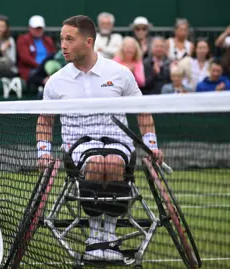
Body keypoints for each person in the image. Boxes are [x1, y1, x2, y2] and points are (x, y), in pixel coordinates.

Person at [36, 15, 164, 261]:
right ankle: (95, 235)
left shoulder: (120, 73)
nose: (63, 45)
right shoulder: (56, 81)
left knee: (113, 163)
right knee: (96, 163)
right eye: (61, 39)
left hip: (119, 145)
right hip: (79, 147)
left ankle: (110, 234)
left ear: (88, 41)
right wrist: (43, 152)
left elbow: (143, 111)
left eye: (69, 39)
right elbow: (45, 120)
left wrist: (151, 147)